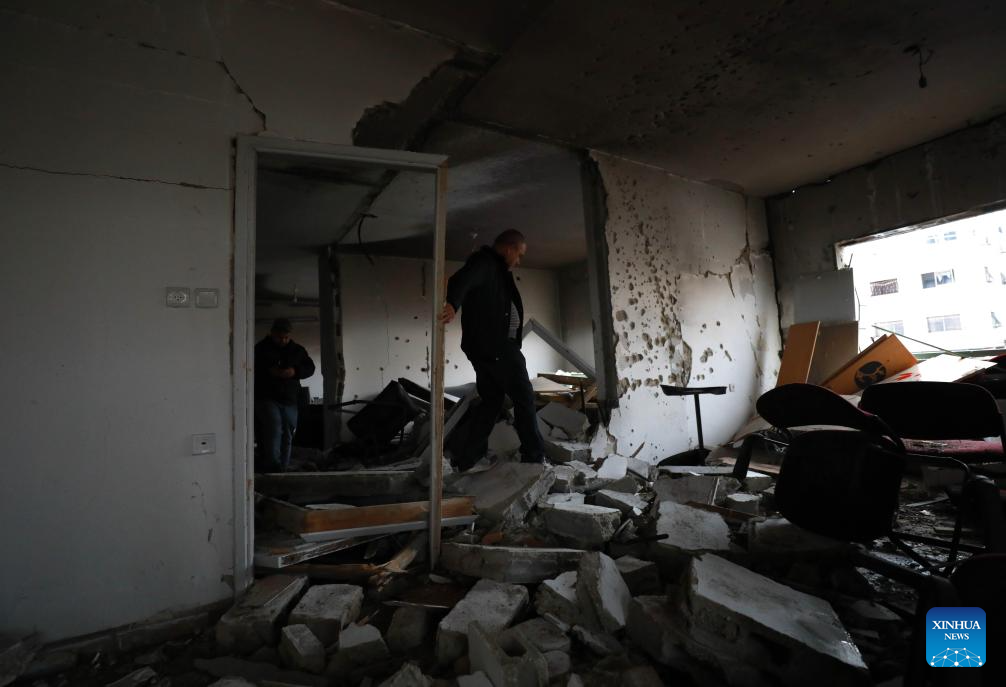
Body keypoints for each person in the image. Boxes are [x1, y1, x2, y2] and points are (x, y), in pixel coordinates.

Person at [439, 229, 546, 469]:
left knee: (491, 401)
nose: (519, 261)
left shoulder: (496, 269)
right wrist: (453, 304)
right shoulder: (485, 263)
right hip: (497, 347)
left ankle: (468, 459)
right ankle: (533, 456)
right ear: (509, 248)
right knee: (524, 397)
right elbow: (460, 280)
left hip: (487, 348)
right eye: (519, 255)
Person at [254, 318, 316, 472]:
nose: (283, 340)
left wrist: (295, 371)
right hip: (266, 397)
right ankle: (272, 466)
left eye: (286, 337)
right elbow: (251, 368)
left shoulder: (297, 350)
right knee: (273, 429)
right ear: (272, 333)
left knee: (288, 433)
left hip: (289, 399)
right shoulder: (260, 349)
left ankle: (283, 467)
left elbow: (310, 368)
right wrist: (269, 371)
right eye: (279, 337)